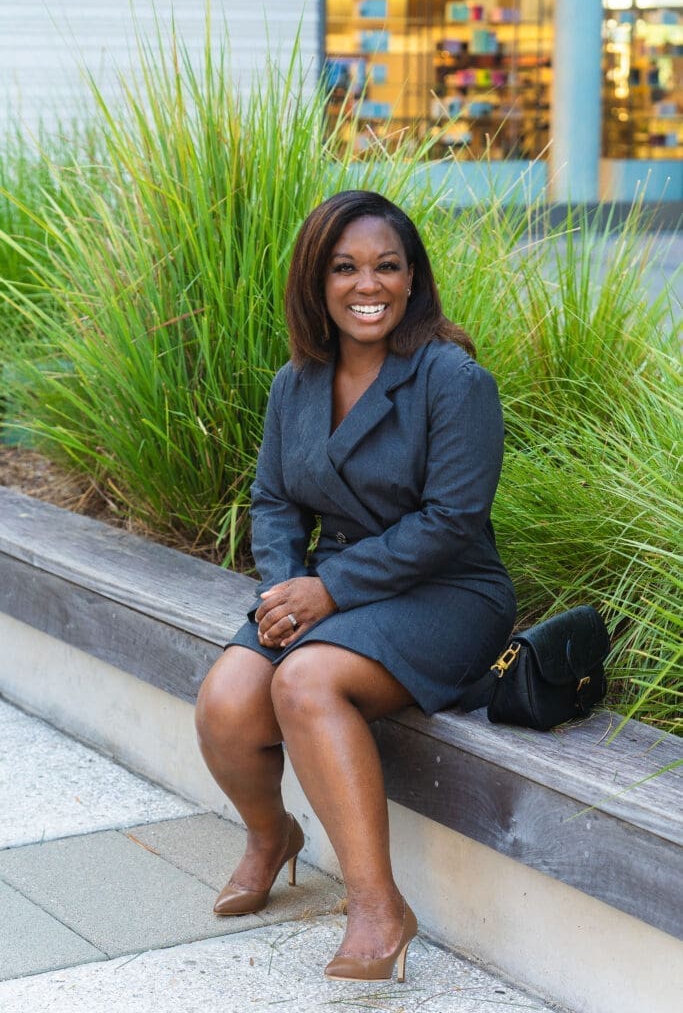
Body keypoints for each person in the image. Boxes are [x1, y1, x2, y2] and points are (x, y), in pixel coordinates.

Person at [195, 190, 516, 982]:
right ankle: (271, 835)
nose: (366, 285)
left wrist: (328, 591)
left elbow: (452, 519)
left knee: (304, 683)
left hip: (447, 591)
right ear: (317, 281)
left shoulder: (452, 379)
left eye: (386, 267)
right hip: (331, 588)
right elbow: (274, 501)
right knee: (226, 703)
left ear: (412, 279)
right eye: (344, 268)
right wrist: (283, 590)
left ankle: (377, 909)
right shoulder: (295, 383)